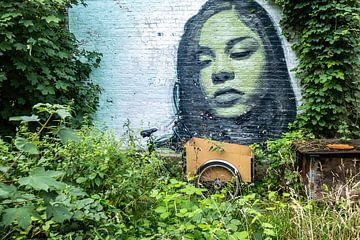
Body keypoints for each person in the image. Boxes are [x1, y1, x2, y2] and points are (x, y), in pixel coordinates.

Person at [172, 0, 297, 146]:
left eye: (240, 53)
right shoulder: (172, 153)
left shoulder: (289, 148)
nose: (220, 71)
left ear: (272, 58)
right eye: (204, 61)